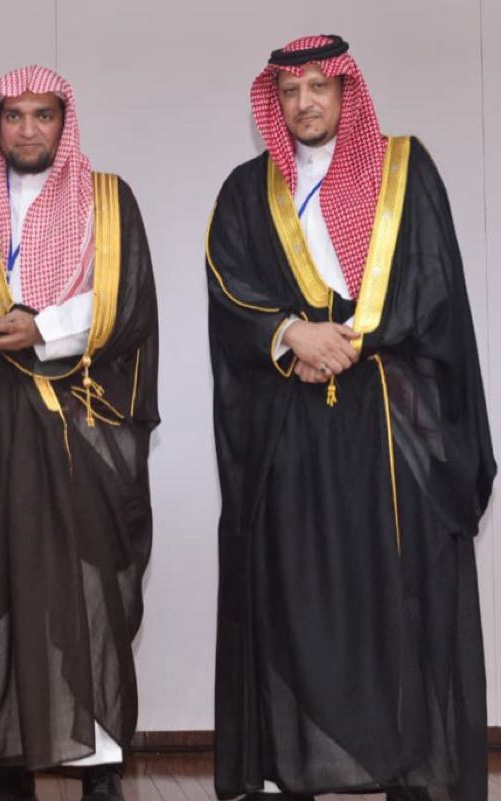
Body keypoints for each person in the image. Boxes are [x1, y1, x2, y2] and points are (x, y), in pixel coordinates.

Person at [206, 34, 494, 801]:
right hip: (291, 425)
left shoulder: (405, 170)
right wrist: (289, 335)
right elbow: (229, 289)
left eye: (318, 87)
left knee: (402, 597)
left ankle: (414, 775)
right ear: (274, 100)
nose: (304, 102)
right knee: (298, 596)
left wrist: (356, 340)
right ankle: (296, 770)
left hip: (393, 425)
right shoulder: (247, 191)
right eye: (290, 90)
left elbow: (433, 282)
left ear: (345, 91)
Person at [0, 65, 159, 801]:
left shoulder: (108, 200)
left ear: (63, 121)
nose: (27, 130)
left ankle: (99, 765)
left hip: (76, 423)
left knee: (86, 592)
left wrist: (42, 326)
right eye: (13, 116)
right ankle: (7, 764)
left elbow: (125, 300)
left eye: (42, 115)